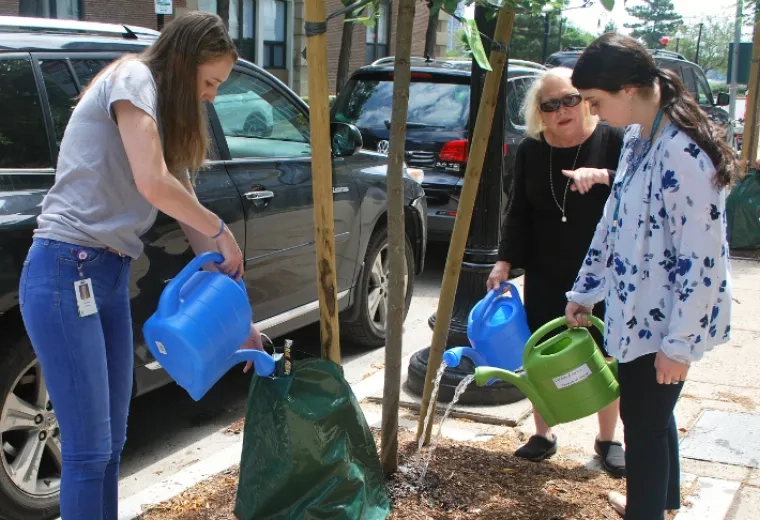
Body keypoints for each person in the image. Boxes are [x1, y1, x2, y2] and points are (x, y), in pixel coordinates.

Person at [18, 12, 264, 520]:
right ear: (182, 61)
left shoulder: (159, 121)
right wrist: (222, 229)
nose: (212, 97)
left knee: (110, 444)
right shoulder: (132, 78)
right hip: (66, 269)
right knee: (87, 450)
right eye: (210, 82)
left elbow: (189, 220)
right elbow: (154, 185)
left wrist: (244, 323)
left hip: (103, 277)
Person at [565, 33, 735, 519]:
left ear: (628, 88)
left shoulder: (684, 154)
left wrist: (679, 345)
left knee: (644, 423)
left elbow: (704, 260)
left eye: (597, 102)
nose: (594, 113)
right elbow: (613, 223)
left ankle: (648, 510)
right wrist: (586, 290)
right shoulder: (641, 137)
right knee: (653, 418)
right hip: (638, 309)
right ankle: (661, 503)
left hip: (666, 321)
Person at [487, 66, 626, 477]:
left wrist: (604, 176)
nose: (563, 109)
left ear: (585, 100)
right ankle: (543, 434)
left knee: (605, 352)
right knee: (541, 354)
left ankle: (607, 439)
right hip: (547, 266)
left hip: (604, 268)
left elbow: (643, 190)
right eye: (551, 104)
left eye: (570, 99)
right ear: (540, 112)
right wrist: (503, 261)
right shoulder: (531, 150)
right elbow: (518, 213)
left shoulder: (613, 140)